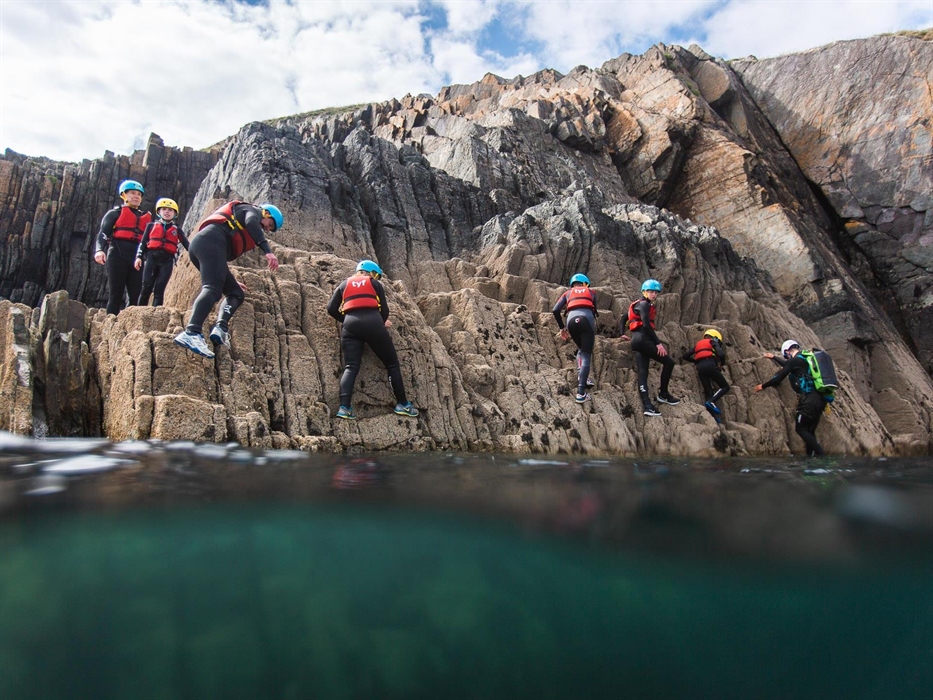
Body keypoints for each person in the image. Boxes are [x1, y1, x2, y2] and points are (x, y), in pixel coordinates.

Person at [174, 200, 282, 359]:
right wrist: (268, 251)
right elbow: (251, 222)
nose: (267, 228)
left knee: (236, 293)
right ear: (267, 213)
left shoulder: (247, 217)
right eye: (270, 224)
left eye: (270, 229)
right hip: (209, 242)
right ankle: (192, 332)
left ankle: (221, 329)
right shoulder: (252, 211)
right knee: (212, 289)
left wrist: (225, 275)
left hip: (206, 247)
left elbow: (218, 257)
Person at [326, 260, 418, 420]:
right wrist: (380, 323)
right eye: (375, 274)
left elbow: (331, 309)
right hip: (374, 322)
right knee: (392, 364)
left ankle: (344, 408)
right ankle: (403, 404)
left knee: (351, 367)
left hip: (350, 325)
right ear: (370, 272)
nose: (375, 277)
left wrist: (347, 320)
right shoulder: (374, 284)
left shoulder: (343, 284)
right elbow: (385, 309)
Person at [754, 339, 826, 457]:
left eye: (785, 356)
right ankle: (812, 461)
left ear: (787, 351)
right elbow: (788, 365)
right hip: (820, 399)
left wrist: (763, 386)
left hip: (809, 399)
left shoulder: (794, 361)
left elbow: (779, 377)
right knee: (809, 431)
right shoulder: (804, 359)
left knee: (800, 429)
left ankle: (822, 457)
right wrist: (774, 357)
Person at [94, 179, 152, 315]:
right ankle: (110, 325)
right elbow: (103, 233)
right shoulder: (115, 213)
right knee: (116, 294)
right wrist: (99, 250)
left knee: (136, 295)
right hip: (117, 255)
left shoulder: (147, 218)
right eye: (132, 193)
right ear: (124, 195)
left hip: (137, 259)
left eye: (139, 194)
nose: (136, 196)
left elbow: (151, 241)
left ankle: (131, 326)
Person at [626, 279, 679, 416]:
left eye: (656, 292)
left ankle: (648, 406)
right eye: (651, 291)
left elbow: (623, 318)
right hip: (644, 340)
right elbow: (646, 325)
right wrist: (658, 343)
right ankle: (663, 394)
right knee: (669, 362)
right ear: (644, 292)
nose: (654, 294)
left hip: (638, 341)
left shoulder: (639, 305)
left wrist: (622, 333)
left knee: (643, 373)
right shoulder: (644, 304)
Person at [134, 198, 190, 307]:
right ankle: (139, 312)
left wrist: (198, 254)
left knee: (159, 290)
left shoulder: (177, 230)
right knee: (146, 287)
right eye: (164, 209)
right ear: (159, 212)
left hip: (167, 261)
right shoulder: (151, 226)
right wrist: (138, 257)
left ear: (175, 213)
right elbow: (143, 243)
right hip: (151, 258)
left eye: (170, 210)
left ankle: (156, 315)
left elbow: (187, 245)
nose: (167, 212)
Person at [552, 273, 598, 403]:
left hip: (571, 321)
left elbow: (555, 310)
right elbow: (594, 311)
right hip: (586, 319)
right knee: (586, 354)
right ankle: (581, 393)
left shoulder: (567, 293)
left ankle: (581, 377)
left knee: (581, 350)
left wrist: (562, 328)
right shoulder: (591, 292)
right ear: (585, 284)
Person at [682, 328, 730, 423]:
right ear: (715, 337)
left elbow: (685, 356)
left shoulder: (698, 345)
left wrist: (696, 361)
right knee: (725, 387)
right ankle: (711, 402)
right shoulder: (712, 341)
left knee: (709, 393)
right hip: (711, 365)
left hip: (700, 368)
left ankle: (714, 418)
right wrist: (721, 364)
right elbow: (720, 353)